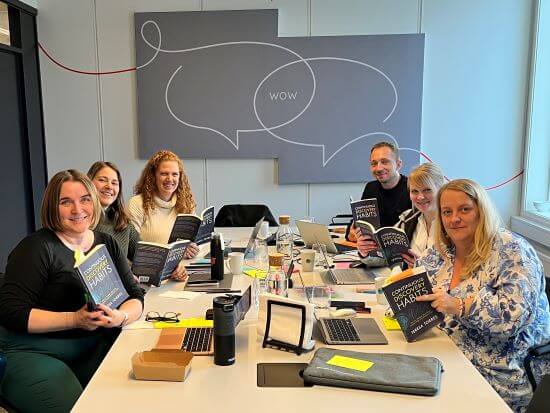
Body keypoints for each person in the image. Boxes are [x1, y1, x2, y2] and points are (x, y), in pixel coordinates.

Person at [0, 170, 144, 413]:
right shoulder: (36, 248)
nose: (78, 209)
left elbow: (134, 295)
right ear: (52, 208)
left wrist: (120, 317)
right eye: (65, 202)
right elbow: (11, 312)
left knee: (134, 399)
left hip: (92, 345)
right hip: (33, 350)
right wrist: (74, 319)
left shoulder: (105, 242)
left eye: (85, 199)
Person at [415, 179, 550, 412]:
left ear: (481, 211)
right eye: (447, 212)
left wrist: (459, 305)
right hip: (445, 355)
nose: (454, 218)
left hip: (499, 370)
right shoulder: (442, 251)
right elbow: (417, 282)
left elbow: (511, 318)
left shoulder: (512, 250)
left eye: (464, 209)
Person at [127, 150, 199, 280]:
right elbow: (130, 250)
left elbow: (192, 242)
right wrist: (169, 267)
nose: (170, 179)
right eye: (164, 174)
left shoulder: (186, 203)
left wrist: (191, 250)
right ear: (153, 176)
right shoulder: (137, 204)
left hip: (178, 273)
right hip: (146, 277)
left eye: (174, 174)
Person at [357, 162, 446, 261]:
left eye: (427, 190)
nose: (420, 197)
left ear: (441, 189)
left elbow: (461, 268)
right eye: (415, 191)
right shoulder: (407, 219)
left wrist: (422, 267)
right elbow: (385, 258)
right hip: (408, 276)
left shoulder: (452, 224)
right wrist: (365, 252)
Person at [88, 161, 139, 261]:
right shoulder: (80, 221)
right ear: (89, 183)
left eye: (114, 183)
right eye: (102, 180)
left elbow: (145, 257)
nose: (109, 186)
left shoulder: (122, 221)